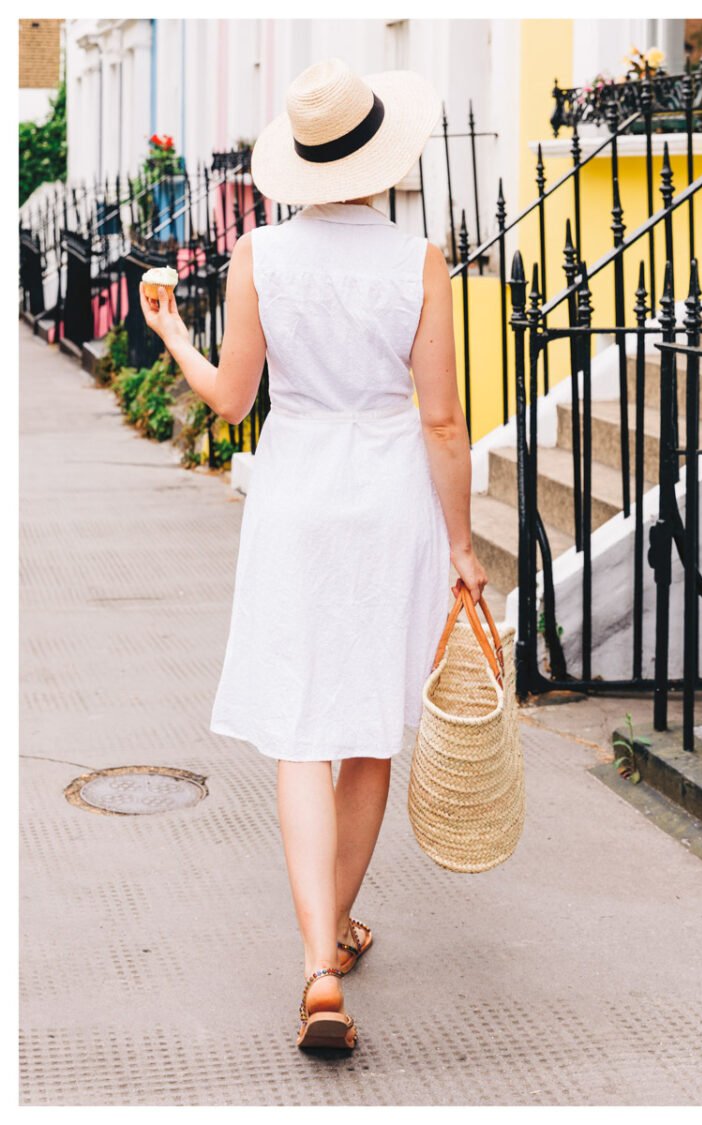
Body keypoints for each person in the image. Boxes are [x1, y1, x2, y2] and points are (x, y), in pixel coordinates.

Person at [139, 56, 488, 1051]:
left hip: (294, 499)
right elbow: (445, 421)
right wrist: (461, 545)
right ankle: (330, 938)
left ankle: (318, 970)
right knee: (369, 729)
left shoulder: (262, 257)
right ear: (378, 163)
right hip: (388, 504)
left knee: (302, 731)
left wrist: (170, 329)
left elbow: (233, 401)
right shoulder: (417, 260)